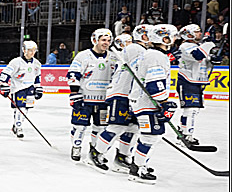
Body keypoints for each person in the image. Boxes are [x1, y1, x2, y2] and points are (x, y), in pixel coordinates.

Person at [124, 24, 177, 182]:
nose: (174, 40)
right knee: (150, 136)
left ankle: (138, 164)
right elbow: (154, 84)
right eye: (172, 37)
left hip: (144, 101)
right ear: (164, 38)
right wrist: (165, 102)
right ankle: (137, 169)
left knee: (151, 136)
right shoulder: (156, 56)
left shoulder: (153, 54)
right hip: (146, 103)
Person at [92, 29, 146, 172]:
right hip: (121, 93)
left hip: (132, 95)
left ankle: (122, 156)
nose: (128, 44)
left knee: (132, 128)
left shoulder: (133, 51)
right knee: (117, 127)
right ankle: (96, 153)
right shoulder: (134, 49)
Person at [67, 28, 117, 163]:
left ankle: (94, 150)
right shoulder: (83, 56)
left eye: (108, 40)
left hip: (104, 100)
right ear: (95, 40)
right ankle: (76, 146)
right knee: (80, 126)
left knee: (100, 127)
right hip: (84, 98)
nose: (106, 43)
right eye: (103, 40)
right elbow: (73, 75)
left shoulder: (113, 57)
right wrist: (74, 94)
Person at [175, 23, 216, 147]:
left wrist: (213, 59)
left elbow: (203, 60)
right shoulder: (185, 46)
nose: (200, 34)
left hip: (196, 81)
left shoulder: (198, 46)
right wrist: (209, 43)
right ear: (189, 34)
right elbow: (197, 56)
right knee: (191, 109)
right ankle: (187, 134)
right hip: (187, 81)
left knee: (193, 110)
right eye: (197, 32)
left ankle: (183, 132)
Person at [0, 40, 43, 138]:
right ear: (24, 50)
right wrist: (4, 85)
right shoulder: (16, 62)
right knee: (20, 108)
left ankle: (16, 124)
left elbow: (37, 77)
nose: (32, 52)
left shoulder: (37, 63)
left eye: (34, 50)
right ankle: (19, 127)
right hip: (18, 89)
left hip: (30, 88)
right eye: (30, 50)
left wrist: (38, 87)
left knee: (26, 109)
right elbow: (5, 74)